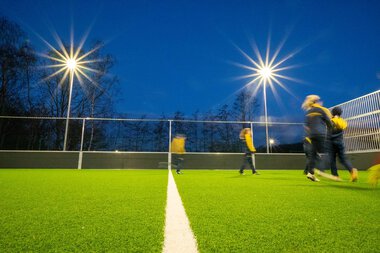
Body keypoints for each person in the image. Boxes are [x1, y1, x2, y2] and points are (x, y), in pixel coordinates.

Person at [302, 95, 333, 182]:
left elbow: (306, 126)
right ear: (317, 102)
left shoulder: (308, 112)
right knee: (330, 151)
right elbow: (329, 123)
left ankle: (310, 173)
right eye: (319, 101)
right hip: (320, 134)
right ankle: (320, 170)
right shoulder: (321, 110)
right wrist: (329, 135)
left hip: (311, 135)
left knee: (312, 155)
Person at [330, 106, 358, 182]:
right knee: (343, 159)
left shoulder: (331, 121)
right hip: (340, 142)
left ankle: (335, 175)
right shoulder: (343, 121)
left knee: (332, 160)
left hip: (331, 143)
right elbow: (343, 127)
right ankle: (352, 171)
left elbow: (328, 131)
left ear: (333, 113)